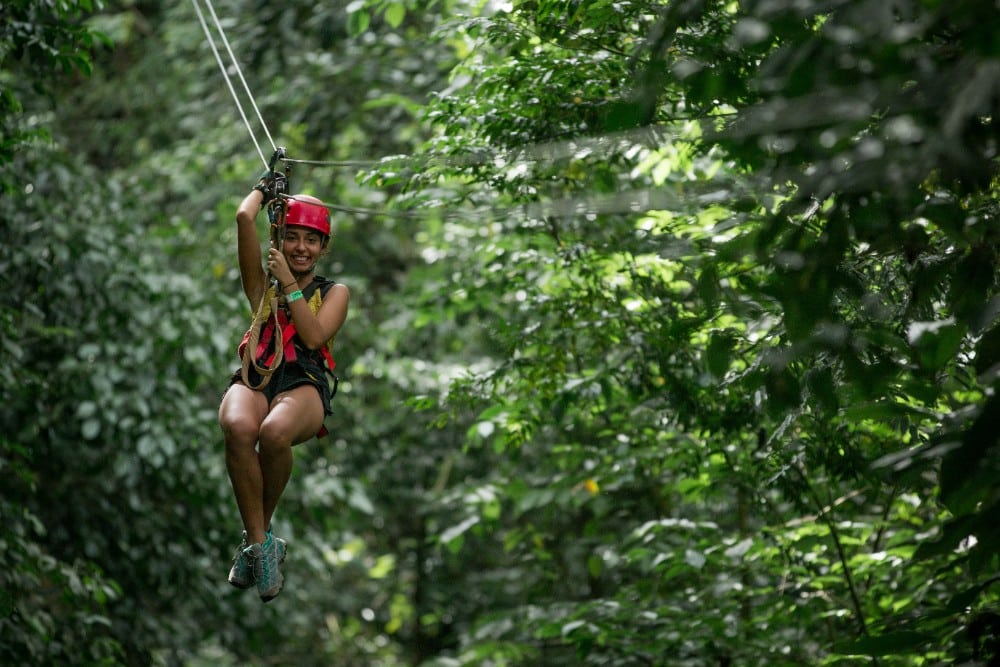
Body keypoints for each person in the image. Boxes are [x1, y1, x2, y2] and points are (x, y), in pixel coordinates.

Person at [218, 170, 349, 602]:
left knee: (274, 434)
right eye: (292, 237)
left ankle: (258, 539)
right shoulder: (263, 288)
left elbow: (314, 337)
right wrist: (262, 189)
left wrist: (289, 284)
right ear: (280, 237)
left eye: (312, 241)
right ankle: (260, 544)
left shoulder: (335, 292)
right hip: (260, 374)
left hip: (304, 383)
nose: (301, 248)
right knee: (237, 425)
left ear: (324, 249)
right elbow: (242, 218)